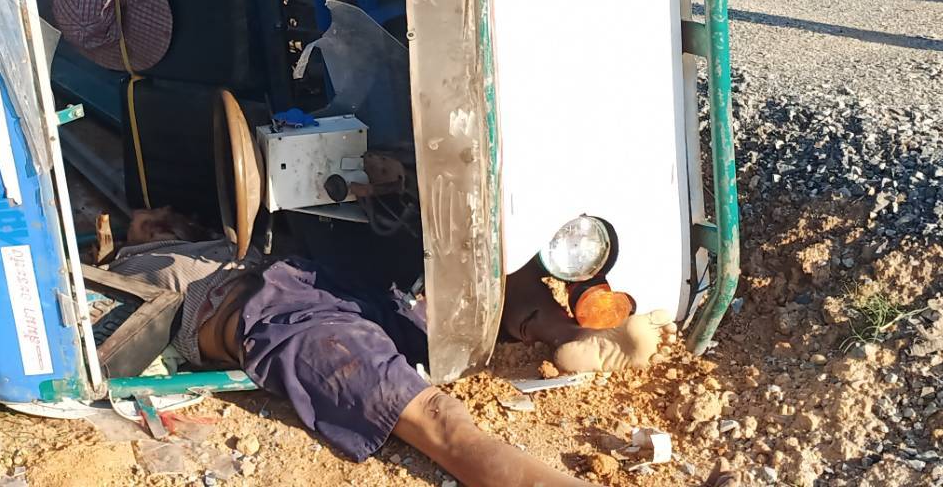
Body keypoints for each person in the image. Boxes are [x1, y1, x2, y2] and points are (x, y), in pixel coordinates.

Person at [106, 206, 676, 487]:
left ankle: (565, 335)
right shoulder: (124, 273)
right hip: (278, 320)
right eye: (144, 222)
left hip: (318, 282)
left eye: (163, 215)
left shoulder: (220, 239)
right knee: (438, 419)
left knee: (485, 261)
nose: (156, 222)